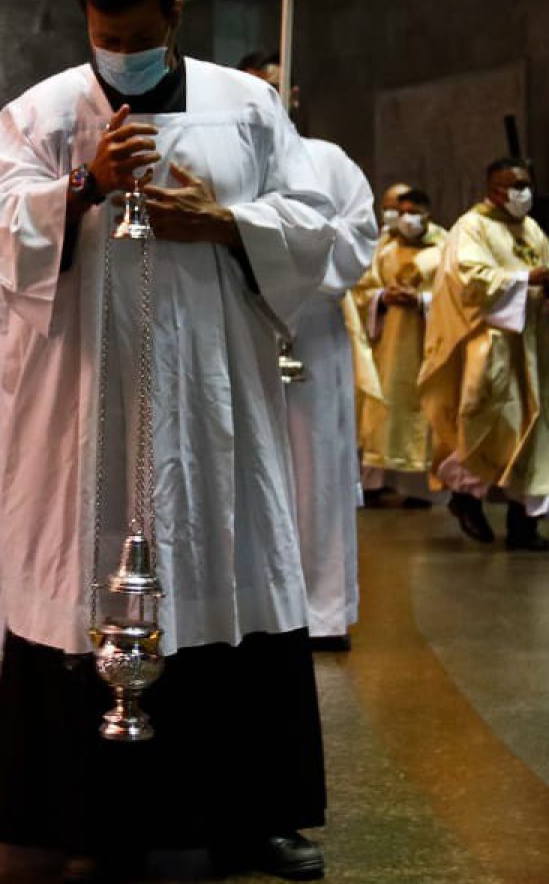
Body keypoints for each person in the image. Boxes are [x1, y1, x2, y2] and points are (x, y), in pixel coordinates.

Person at [0, 0, 335, 883]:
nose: (115, 53)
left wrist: (220, 220)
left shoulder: (246, 109)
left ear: (176, 18)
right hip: (85, 402)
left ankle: (253, 818)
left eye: (134, 34)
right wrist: (83, 184)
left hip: (214, 407)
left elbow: (325, 229)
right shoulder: (45, 112)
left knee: (232, 574)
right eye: (100, 35)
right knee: (85, 574)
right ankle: (90, 820)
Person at [238, 55, 379, 653]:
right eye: (259, 88)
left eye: (279, 86)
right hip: (243, 327)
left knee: (317, 471)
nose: (271, 97)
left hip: (314, 331)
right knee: (244, 470)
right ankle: (249, 604)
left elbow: (358, 239)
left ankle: (320, 610)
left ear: (292, 92)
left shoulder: (330, 161)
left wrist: (294, 246)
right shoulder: (233, 159)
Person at [421, 159, 549, 551]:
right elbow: (466, 279)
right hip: (492, 347)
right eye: (516, 186)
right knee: (490, 425)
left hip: (535, 347)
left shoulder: (530, 228)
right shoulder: (471, 228)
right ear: (494, 189)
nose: (524, 194)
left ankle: (524, 525)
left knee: (538, 434)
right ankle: (465, 497)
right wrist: (523, 279)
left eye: (527, 185)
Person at [357, 189, 446, 507]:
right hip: (390, 346)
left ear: (427, 213)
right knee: (384, 411)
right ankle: (376, 484)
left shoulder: (445, 246)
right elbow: (361, 287)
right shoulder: (384, 247)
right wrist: (382, 298)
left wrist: (422, 301)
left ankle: (419, 490)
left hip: (429, 344)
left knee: (423, 413)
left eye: (413, 211)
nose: (406, 217)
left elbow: (457, 295)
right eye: (401, 210)